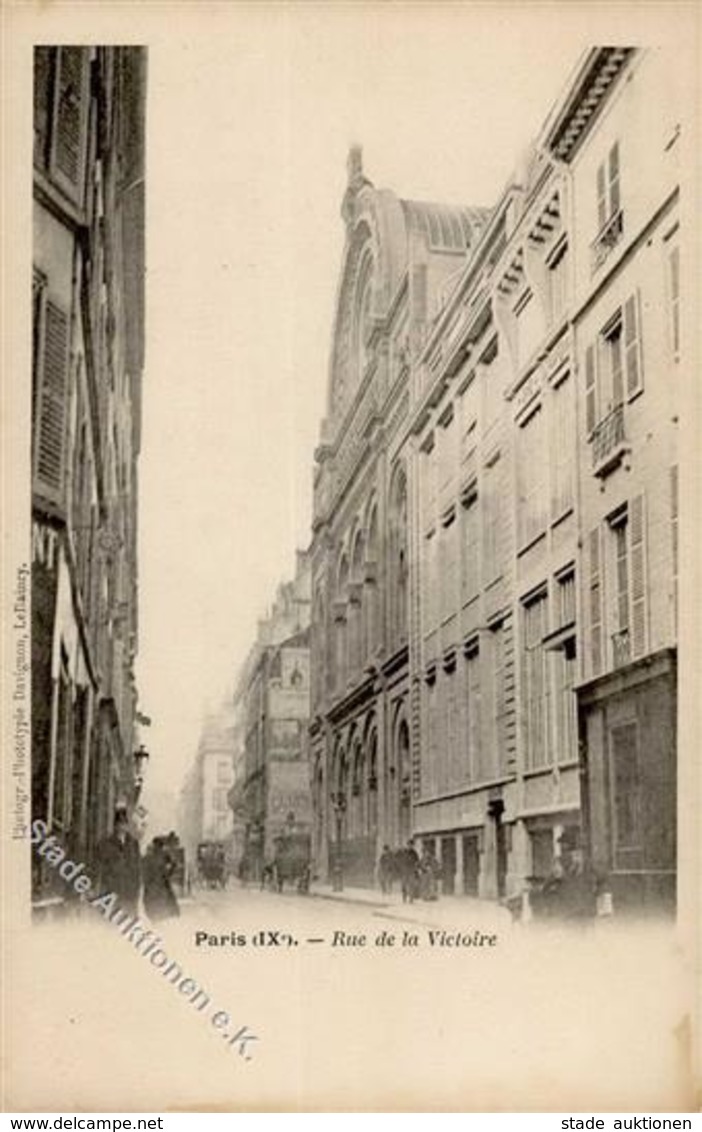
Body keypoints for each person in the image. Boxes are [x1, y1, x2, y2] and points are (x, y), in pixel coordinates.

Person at [96, 804, 141, 916]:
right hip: (112, 891)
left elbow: (137, 868)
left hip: (129, 893)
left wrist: (136, 889)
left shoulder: (133, 844)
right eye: (119, 824)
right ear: (115, 826)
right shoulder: (106, 844)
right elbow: (102, 868)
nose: (121, 827)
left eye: (124, 823)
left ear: (127, 825)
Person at [143, 836, 180, 921]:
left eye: (159, 846)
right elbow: (173, 865)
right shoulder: (153, 856)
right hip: (157, 885)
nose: (159, 848)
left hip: (158, 885)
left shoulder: (160, 855)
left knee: (157, 906)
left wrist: (168, 874)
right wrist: (169, 873)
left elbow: (174, 864)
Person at [398, 840, 420, 904]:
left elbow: (417, 862)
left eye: (411, 845)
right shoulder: (404, 852)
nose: (410, 846)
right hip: (404, 871)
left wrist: (416, 869)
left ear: (413, 846)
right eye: (409, 845)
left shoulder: (415, 853)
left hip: (411, 871)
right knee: (404, 885)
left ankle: (411, 899)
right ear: (407, 845)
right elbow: (400, 860)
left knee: (411, 885)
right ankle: (404, 897)